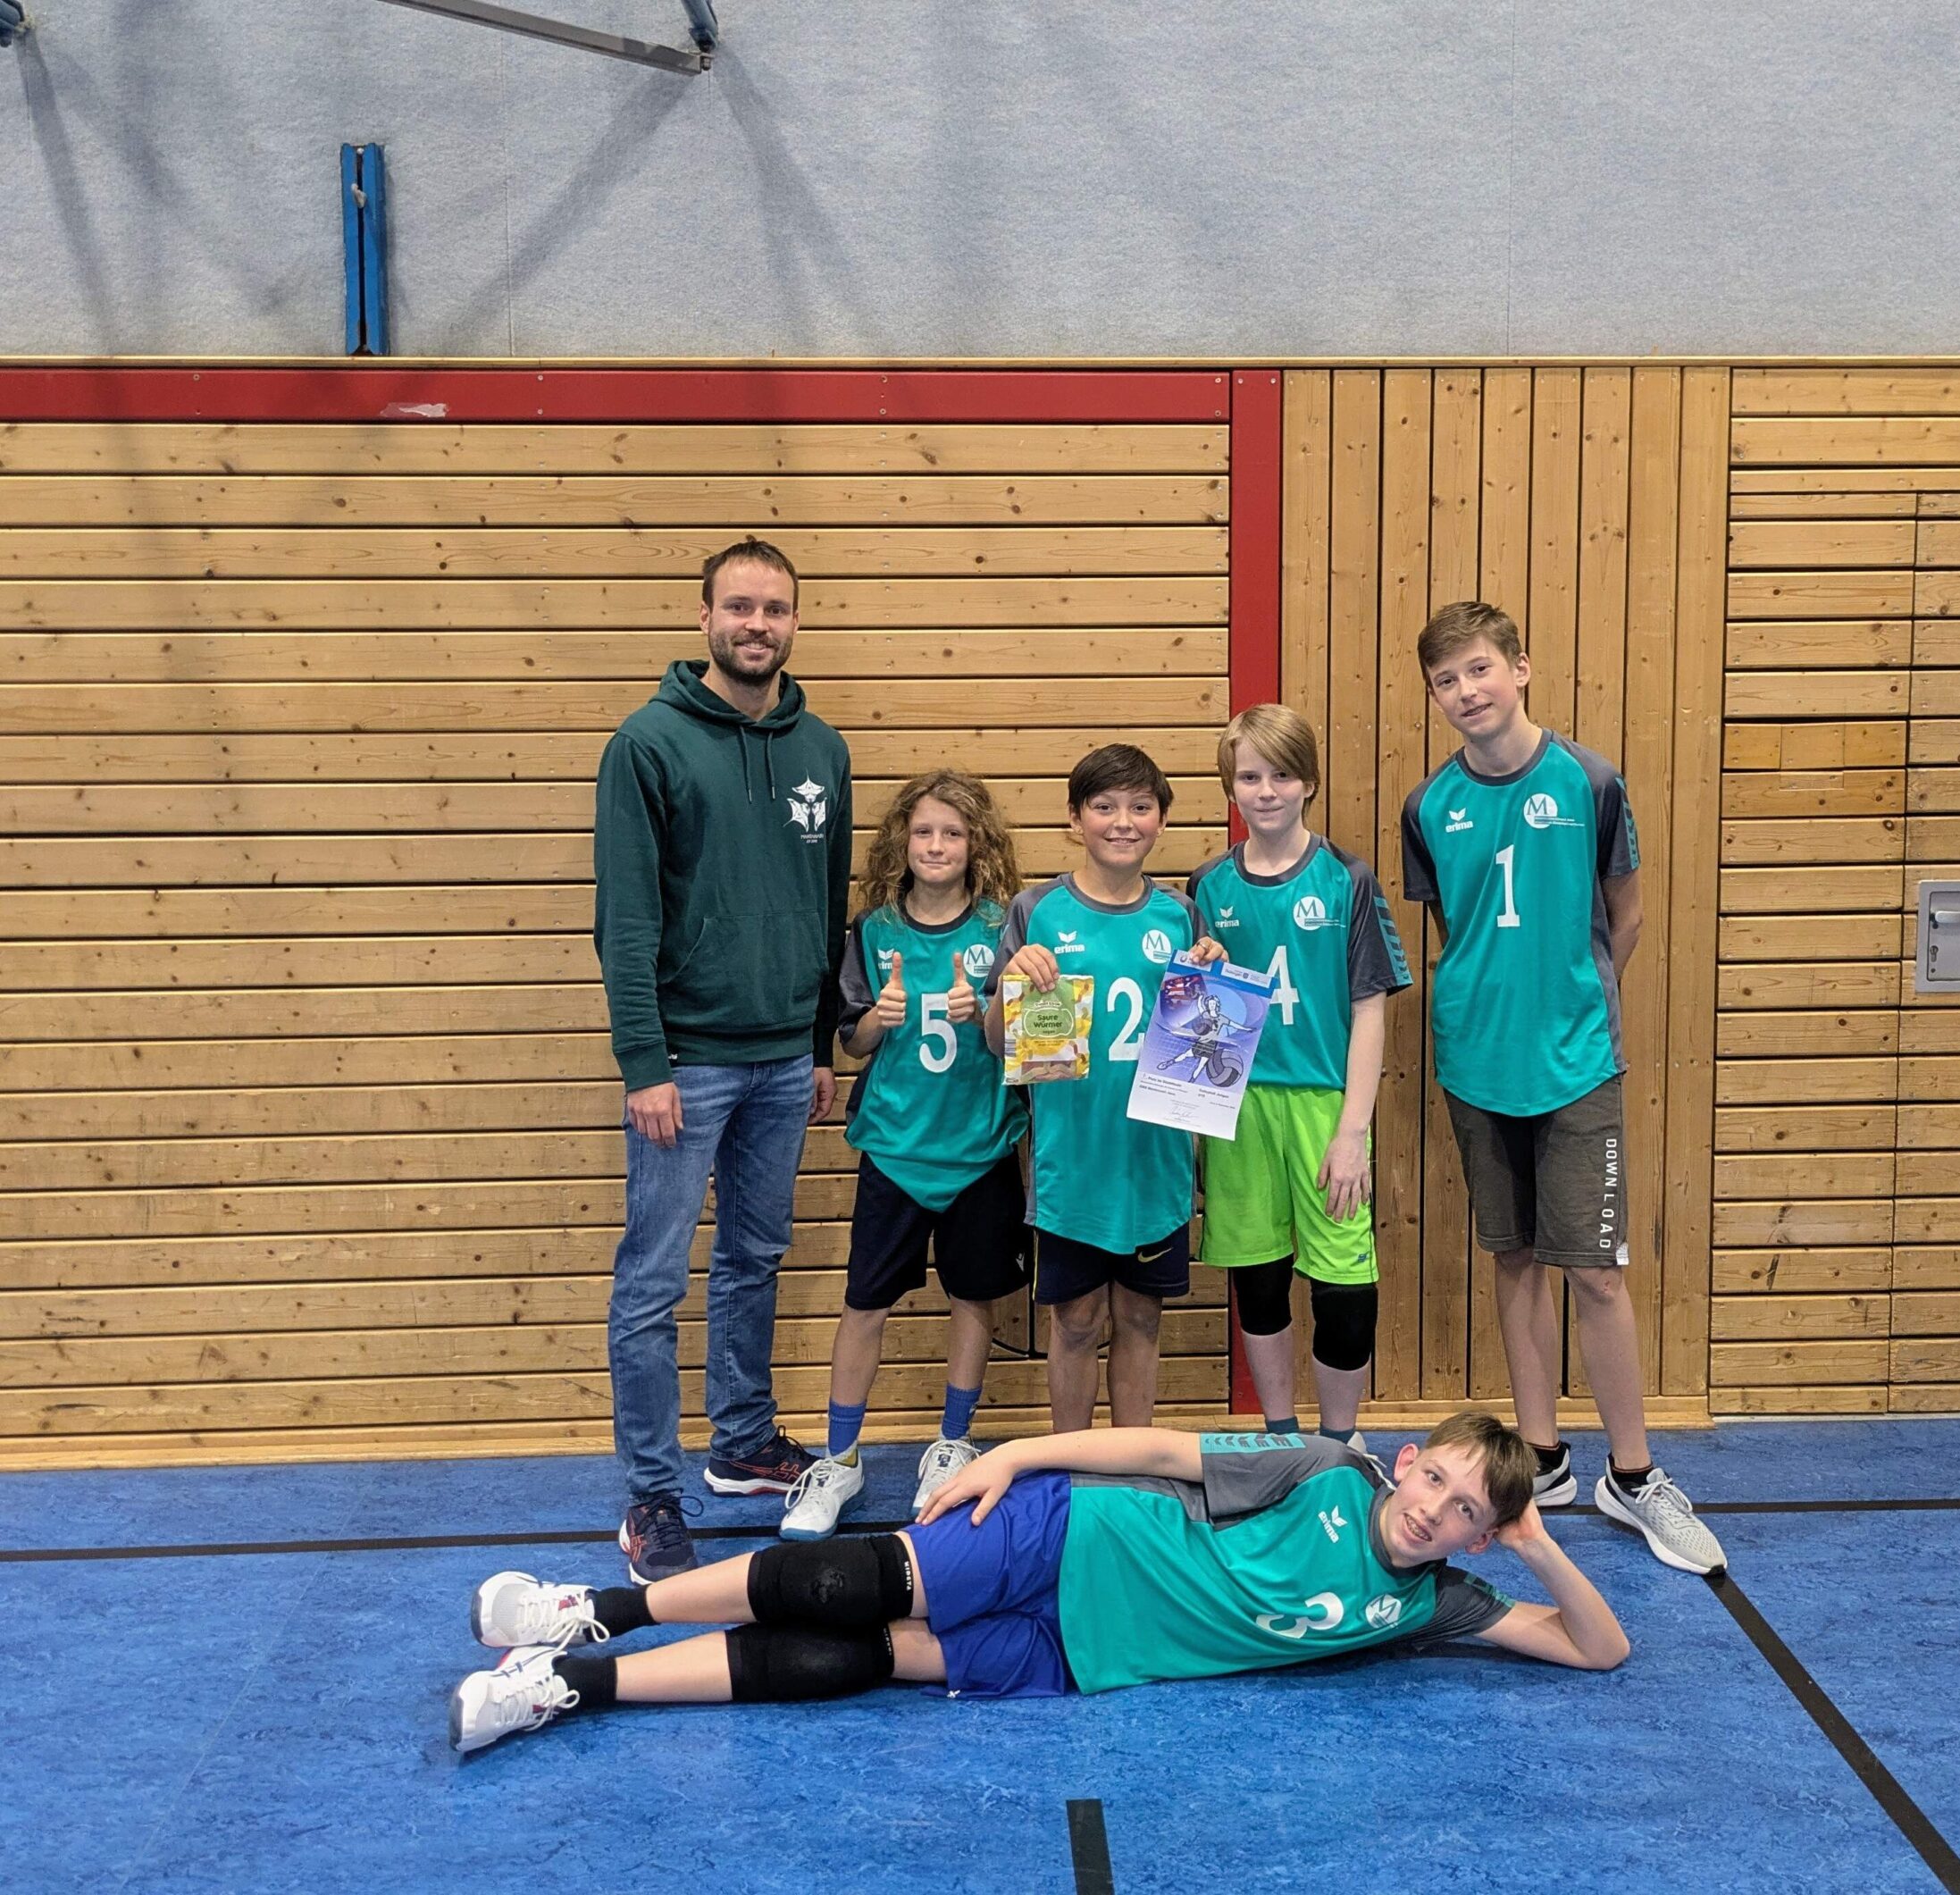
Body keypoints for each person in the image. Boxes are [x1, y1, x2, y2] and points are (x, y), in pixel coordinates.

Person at [448, 1412, 1629, 1752]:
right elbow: (1161, 1450)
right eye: (1438, 1481)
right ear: (1409, 1459)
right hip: (1071, 1535)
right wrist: (1016, 1455)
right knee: (848, 1581)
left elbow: (1597, 1648)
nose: (1435, 1510)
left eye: (1467, 1513)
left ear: (1481, 1537)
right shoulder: (1322, 1468)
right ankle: (592, 1613)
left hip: (1083, 1656)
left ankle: (568, 1690)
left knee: (861, 1659)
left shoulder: (1435, 1602)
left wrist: (1538, 1542)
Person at [1401, 601, 1725, 1577]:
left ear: (1521, 668)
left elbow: (1626, 917)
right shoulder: (1428, 805)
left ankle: (1633, 1475)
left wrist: (1571, 999)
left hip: (1576, 1061)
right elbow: (1453, 931)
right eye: (1446, 680)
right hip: (1476, 1062)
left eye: (1480, 669)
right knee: (1514, 1260)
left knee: (1595, 1271)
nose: (1466, 691)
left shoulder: (1589, 780)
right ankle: (1541, 1461)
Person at [591, 538, 850, 1583]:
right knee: (651, 1282)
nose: (756, 625)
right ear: (704, 618)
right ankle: (651, 1494)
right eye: (738, 607)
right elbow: (624, 920)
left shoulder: (821, 748)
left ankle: (741, 1442)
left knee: (755, 1258)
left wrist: (819, 1041)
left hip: (784, 1060)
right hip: (685, 1064)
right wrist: (643, 1061)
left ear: (794, 622)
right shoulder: (646, 744)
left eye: (774, 609)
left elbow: (827, 908)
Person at [776, 771, 1031, 1540]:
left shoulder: (1004, 926)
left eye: (953, 832)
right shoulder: (873, 929)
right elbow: (851, 1041)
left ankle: (952, 1442)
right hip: (894, 1147)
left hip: (980, 1146)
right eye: (924, 831)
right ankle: (840, 1458)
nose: (937, 845)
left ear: (976, 844)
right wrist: (877, 1021)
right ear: (903, 841)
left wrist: (984, 1011)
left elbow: (1026, 1042)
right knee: (864, 1303)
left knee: (973, 1298)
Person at [1187, 705, 1411, 1446]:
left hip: (1323, 1106)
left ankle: (1338, 1444)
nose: (1266, 791)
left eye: (1282, 774)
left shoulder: (1346, 877)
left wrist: (1353, 1131)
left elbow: (1370, 1009)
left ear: (1309, 781)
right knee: (1259, 1279)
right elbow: (1195, 1010)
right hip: (1239, 1106)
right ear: (1230, 786)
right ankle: (1283, 1441)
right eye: (1250, 776)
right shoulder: (1207, 885)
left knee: (1345, 1287)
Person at [983, 744, 1223, 1432]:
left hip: (1155, 1161)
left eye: (1140, 807)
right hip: (1071, 1163)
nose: (1123, 821)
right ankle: (1074, 1468)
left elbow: (1206, 1038)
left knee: (1142, 1317)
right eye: (1104, 806)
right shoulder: (1036, 910)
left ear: (1162, 820)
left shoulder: (1180, 914)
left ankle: (1131, 1468)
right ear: (1073, 818)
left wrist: (1215, 976)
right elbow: (999, 1042)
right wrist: (1012, 984)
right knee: (1078, 1319)